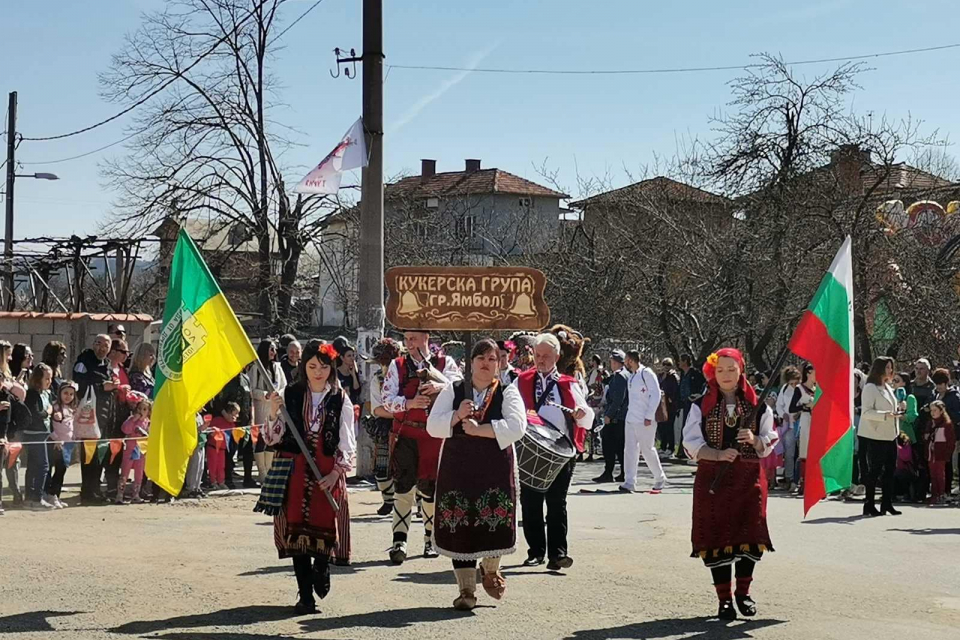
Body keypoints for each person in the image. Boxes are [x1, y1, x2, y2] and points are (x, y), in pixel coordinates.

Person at [257, 340, 356, 614]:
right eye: (312, 366)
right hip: (294, 469)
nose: (318, 372)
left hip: (327, 471)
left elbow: (347, 440)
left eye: (323, 366)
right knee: (296, 531)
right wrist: (274, 411)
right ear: (304, 366)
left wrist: (337, 472)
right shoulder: (288, 393)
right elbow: (271, 437)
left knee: (326, 527)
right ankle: (305, 595)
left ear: (331, 367)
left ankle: (322, 569)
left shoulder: (340, 398)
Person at [427, 338, 526, 610]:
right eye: (480, 358)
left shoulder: (508, 392)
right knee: (459, 525)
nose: (486, 364)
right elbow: (433, 426)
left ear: (499, 363)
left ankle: (491, 571)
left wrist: (479, 430)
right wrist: (457, 416)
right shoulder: (453, 390)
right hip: (458, 469)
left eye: (492, 359)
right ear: (470, 363)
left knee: (492, 519)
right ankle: (466, 590)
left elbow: (517, 427)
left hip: (494, 470)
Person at [682, 348, 778, 621]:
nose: (726, 375)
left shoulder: (758, 404)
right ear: (713, 372)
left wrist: (755, 439)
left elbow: (770, 438)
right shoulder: (700, 405)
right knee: (716, 537)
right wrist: (717, 454)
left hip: (749, 479)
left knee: (751, 534)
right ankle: (724, 599)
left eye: (731, 369)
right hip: (713, 479)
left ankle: (743, 593)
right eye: (720, 370)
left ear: (741, 371)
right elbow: (690, 442)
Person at [381, 329, 462, 564]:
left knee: (430, 489)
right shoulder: (397, 365)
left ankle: (430, 539)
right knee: (403, 488)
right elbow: (387, 400)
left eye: (414, 338)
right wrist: (409, 402)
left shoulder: (446, 362)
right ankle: (399, 541)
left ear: (426, 337)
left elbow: (459, 390)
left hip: (434, 435)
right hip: (406, 433)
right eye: (406, 339)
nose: (409, 343)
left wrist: (440, 387)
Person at [515, 333, 594, 570]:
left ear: (557, 357)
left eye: (546, 356)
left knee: (557, 502)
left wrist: (581, 413)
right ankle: (535, 552)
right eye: (537, 355)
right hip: (530, 450)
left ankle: (558, 553)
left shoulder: (569, 383)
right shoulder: (521, 381)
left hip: (561, 452)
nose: (540, 360)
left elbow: (588, 417)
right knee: (530, 502)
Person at [74, 334, 116, 505]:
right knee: (89, 457)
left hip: (105, 417)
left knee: (100, 455)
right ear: (93, 344)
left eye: (105, 345)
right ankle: (87, 493)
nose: (101, 348)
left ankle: (96, 490)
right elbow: (78, 386)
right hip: (89, 418)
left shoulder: (106, 364)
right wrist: (101, 387)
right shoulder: (83, 362)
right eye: (98, 344)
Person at [859, 357, 902, 517]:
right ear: (879, 369)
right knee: (874, 471)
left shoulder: (887, 387)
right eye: (887, 368)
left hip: (891, 434)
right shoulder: (870, 387)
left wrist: (899, 409)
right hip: (875, 434)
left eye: (892, 367)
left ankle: (887, 503)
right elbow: (867, 412)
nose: (890, 371)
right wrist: (886, 415)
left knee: (890, 470)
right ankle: (869, 503)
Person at [621, 350, 665, 494]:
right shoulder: (632, 376)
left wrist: (649, 415)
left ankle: (659, 477)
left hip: (644, 419)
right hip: (631, 418)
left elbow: (656, 394)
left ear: (631, 361)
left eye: (626, 360)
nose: (625, 363)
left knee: (647, 449)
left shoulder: (646, 373)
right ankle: (629, 481)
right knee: (630, 450)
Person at [366, 338, 401, 516]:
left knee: (411, 464)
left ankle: (416, 502)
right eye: (383, 362)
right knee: (382, 467)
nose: (386, 366)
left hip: (408, 425)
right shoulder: (377, 380)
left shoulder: (407, 376)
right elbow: (377, 409)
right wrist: (401, 412)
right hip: (386, 425)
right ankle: (388, 500)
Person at [250, 339, 287, 485]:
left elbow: (284, 385)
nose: (273, 352)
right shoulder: (256, 367)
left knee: (272, 439)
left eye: (275, 349)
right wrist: (265, 394)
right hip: (261, 408)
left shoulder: (278, 367)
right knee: (260, 440)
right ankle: (262, 472)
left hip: (275, 408)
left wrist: (278, 395)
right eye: (271, 349)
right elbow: (252, 390)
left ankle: (270, 471)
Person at [215, 369, 258, 489]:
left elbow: (250, 399)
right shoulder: (225, 379)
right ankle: (228, 479)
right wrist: (225, 414)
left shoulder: (246, 378)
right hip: (230, 422)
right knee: (230, 452)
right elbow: (218, 400)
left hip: (245, 421)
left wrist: (252, 416)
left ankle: (248, 479)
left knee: (248, 451)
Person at [23, 364, 55, 511]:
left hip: (43, 433)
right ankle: (36, 498)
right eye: (46, 378)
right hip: (34, 434)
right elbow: (35, 414)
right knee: (42, 466)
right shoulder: (32, 394)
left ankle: (30, 497)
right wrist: (48, 411)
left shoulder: (46, 393)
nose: (49, 381)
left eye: (51, 378)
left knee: (35, 466)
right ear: (38, 379)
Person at [594, 350, 628, 483]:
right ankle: (622, 473)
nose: (611, 364)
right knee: (619, 447)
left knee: (609, 445)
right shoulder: (624, 375)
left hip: (616, 417)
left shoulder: (620, 376)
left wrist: (609, 415)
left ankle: (609, 472)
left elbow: (619, 399)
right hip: (620, 417)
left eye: (612, 361)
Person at [47, 381, 79, 509]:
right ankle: (51, 494)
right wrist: (55, 439)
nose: (68, 396)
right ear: (59, 393)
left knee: (63, 469)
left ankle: (57, 495)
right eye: (65, 393)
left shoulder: (72, 409)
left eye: (71, 394)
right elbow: (50, 426)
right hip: (57, 444)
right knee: (59, 469)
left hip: (69, 444)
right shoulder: (54, 407)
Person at [931, 368, 960, 496]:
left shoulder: (954, 396)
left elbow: (957, 415)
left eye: (941, 384)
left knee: (948, 462)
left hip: (951, 434)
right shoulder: (935, 395)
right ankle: (941, 489)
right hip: (937, 434)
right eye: (936, 384)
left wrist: (943, 415)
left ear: (946, 383)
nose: (938, 387)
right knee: (941, 462)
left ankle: (947, 489)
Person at [789, 364, 816, 496]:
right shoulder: (800, 389)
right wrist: (806, 405)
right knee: (805, 453)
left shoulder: (817, 389)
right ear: (809, 372)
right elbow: (792, 408)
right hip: (806, 421)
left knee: (816, 454)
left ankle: (815, 484)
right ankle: (803, 482)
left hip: (817, 422)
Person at [117, 399, 152, 504]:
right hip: (130, 450)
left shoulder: (148, 422)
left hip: (142, 451)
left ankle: (135, 494)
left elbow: (150, 436)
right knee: (125, 472)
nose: (142, 411)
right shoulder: (131, 419)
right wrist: (133, 420)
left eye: (144, 409)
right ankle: (120, 495)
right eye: (140, 408)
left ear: (148, 411)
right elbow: (125, 429)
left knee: (139, 473)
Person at [774, 367, 800, 491]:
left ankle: (795, 477)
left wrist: (799, 413)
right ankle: (789, 477)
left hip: (798, 423)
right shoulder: (784, 389)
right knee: (788, 453)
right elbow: (779, 405)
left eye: (796, 382)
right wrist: (782, 413)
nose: (794, 385)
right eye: (791, 383)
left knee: (796, 453)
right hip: (786, 424)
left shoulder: (802, 389)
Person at [677, 354, 706, 460]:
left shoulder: (695, 373)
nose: (679, 362)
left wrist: (697, 395)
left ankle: (688, 450)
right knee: (684, 425)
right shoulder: (682, 374)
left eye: (681, 360)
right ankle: (682, 450)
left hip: (693, 402)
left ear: (685, 361)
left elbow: (702, 386)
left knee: (690, 425)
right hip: (685, 403)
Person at [927, 401, 956, 505]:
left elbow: (951, 441)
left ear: (941, 411)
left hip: (940, 453)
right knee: (933, 475)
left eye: (935, 410)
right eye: (931, 410)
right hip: (931, 453)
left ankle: (941, 494)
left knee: (940, 475)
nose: (933, 413)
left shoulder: (947, 424)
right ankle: (934, 494)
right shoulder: (931, 423)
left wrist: (947, 454)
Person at [208, 402, 239, 491]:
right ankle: (213, 482)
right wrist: (212, 432)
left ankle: (221, 482)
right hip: (213, 447)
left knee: (221, 466)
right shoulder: (217, 420)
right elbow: (209, 430)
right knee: (213, 465)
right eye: (235, 413)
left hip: (222, 448)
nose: (236, 416)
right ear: (229, 412)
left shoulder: (232, 424)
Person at [658, 358, 680, 458]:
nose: (666, 367)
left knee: (669, 427)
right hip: (662, 405)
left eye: (668, 365)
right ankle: (663, 447)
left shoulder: (673, 376)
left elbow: (676, 391)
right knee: (662, 427)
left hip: (670, 406)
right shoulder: (661, 376)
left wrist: (671, 399)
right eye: (664, 364)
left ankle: (670, 449)